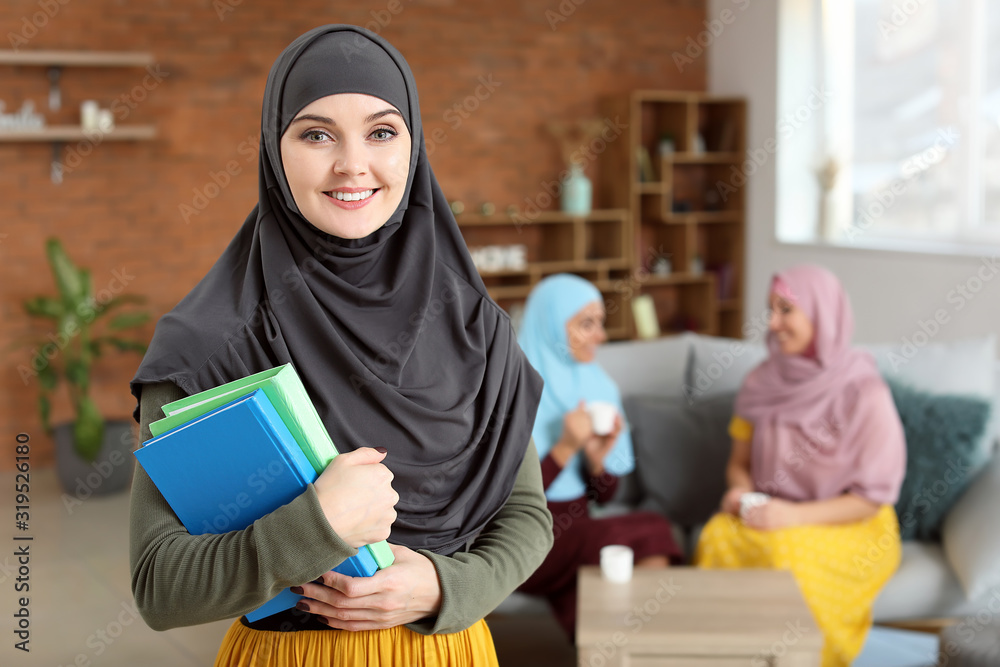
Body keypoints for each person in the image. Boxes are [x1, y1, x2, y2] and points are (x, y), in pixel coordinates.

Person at [128, 25, 554, 667]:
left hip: (449, 649)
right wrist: (314, 526)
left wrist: (447, 585)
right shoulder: (208, 346)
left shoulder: (474, 325)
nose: (353, 164)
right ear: (275, 151)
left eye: (382, 132)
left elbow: (527, 516)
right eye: (316, 133)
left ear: (413, 149)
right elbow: (160, 585)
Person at [694, 265, 906, 667]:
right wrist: (740, 491)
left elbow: (870, 499)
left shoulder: (864, 390)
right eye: (770, 309)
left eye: (786, 309)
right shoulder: (760, 381)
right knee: (716, 536)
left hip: (851, 522)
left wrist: (792, 516)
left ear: (821, 314)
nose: (772, 323)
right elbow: (738, 463)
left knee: (789, 558)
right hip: (773, 511)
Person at [514, 273, 682, 640]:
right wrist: (564, 448)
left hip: (579, 533)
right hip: (521, 536)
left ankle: (653, 646)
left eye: (600, 324)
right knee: (652, 527)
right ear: (550, 325)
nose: (601, 337)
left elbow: (606, 496)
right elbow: (503, 499)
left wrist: (595, 460)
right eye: (586, 324)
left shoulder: (599, 386)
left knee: (596, 617)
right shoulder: (510, 392)